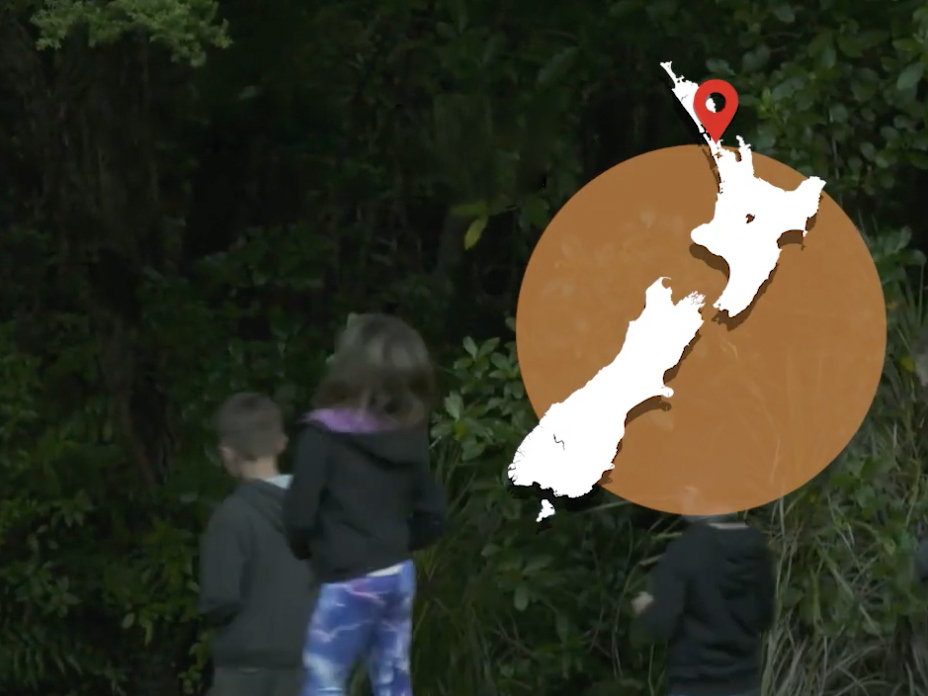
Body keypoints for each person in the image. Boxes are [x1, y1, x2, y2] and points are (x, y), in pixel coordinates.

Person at [283, 313, 447, 696]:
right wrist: (393, 542)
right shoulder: (409, 435)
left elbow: (299, 516)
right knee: (393, 682)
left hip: (347, 577)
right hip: (397, 573)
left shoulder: (321, 434)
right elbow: (434, 516)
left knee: (323, 683)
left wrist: (314, 550)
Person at [199, 393, 318, 696]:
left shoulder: (232, 516)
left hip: (246, 672)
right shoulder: (316, 512)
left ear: (227, 452)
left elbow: (219, 599)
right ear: (281, 443)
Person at [631, 513, 775, 696]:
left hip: (695, 682)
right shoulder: (757, 546)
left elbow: (661, 624)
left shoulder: (687, 548)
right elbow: (765, 618)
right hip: (745, 682)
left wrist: (645, 607)